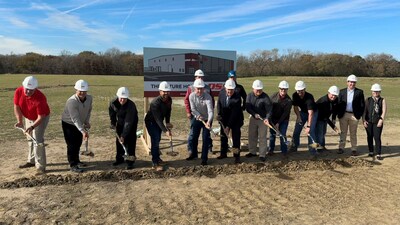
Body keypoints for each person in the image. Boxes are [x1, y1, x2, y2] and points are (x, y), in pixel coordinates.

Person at [14, 76, 50, 175]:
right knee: (29, 138)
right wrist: (19, 121)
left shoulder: (40, 98)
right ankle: (31, 161)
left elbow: (40, 117)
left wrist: (32, 127)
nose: (28, 91)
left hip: (40, 118)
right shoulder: (19, 91)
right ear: (23, 86)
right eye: (27, 89)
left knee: (37, 140)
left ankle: (40, 167)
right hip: (28, 116)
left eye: (31, 90)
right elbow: (16, 106)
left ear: (35, 88)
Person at [61, 80, 93, 173]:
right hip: (69, 124)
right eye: (80, 91)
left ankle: (77, 161)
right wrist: (83, 131)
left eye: (84, 91)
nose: (82, 93)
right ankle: (73, 164)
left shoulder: (90, 98)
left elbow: (88, 110)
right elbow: (75, 118)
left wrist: (86, 121)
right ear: (76, 90)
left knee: (78, 143)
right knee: (71, 145)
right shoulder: (71, 101)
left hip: (80, 123)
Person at [145, 81, 173, 171]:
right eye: (164, 91)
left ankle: (158, 159)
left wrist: (168, 122)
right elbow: (157, 119)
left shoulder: (169, 100)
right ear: (160, 91)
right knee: (155, 140)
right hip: (151, 122)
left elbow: (168, 112)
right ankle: (155, 163)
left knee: (158, 140)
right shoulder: (155, 103)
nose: (166, 93)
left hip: (159, 122)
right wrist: (166, 131)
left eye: (167, 91)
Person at [184, 69, 214, 154]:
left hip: (206, 115)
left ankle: (208, 148)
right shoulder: (190, 88)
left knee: (206, 135)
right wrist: (189, 112)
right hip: (195, 115)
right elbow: (187, 101)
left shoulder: (207, 88)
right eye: (198, 76)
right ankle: (192, 150)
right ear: (195, 77)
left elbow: (211, 102)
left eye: (201, 77)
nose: (200, 78)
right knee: (193, 134)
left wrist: (209, 119)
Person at [109, 87, 138, 170]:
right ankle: (119, 159)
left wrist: (123, 135)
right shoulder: (113, 103)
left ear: (127, 97)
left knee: (130, 141)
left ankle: (130, 162)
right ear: (118, 96)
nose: (122, 100)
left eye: (124, 98)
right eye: (121, 98)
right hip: (120, 122)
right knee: (119, 142)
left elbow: (128, 122)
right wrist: (113, 123)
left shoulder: (131, 105)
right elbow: (112, 113)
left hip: (131, 122)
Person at [289, 81, 319, 159]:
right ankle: (294, 147)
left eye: (302, 91)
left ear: (304, 89)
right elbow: (295, 107)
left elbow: (310, 113)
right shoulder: (294, 95)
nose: (300, 93)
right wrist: (298, 117)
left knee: (311, 131)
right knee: (296, 130)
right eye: (298, 91)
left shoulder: (309, 97)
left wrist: (308, 126)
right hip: (302, 112)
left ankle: (313, 151)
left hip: (313, 112)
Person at [216, 79, 244, 163]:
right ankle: (223, 153)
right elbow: (219, 104)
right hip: (224, 118)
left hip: (236, 119)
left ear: (234, 89)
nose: (230, 91)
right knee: (223, 136)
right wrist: (219, 115)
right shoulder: (221, 93)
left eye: (231, 90)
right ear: (225, 88)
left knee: (236, 138)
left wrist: (228, 127)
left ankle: (236, 156)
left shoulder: (237, 98)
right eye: (228, 89)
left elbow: (234, 114)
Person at [245, 80, 272, 162]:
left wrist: (267, 118)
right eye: (257, 90)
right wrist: (254, 114)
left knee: (262, 137)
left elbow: (269, 110)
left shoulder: (265, 97)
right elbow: (248, 107)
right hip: (253, 118)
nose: (259, 91)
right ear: (253, 89)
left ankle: (262, 154)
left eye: (260, 89)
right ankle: (252, 152)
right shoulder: (249, 96)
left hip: (263, 120)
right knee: (252, 135)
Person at [337, 74, 365, 156]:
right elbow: (338, 104)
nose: (352, 84)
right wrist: (339, 114)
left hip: (354, 115)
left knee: (353, 133)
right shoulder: (341, 92)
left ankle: (354, 149)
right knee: (343, 132)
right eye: (350, 82)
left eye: (353, 82)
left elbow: (362, 105)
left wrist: (359, 115)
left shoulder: (359, 92)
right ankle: (341, 148)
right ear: (347, 82)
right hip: (344, 115)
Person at [363, 83, 387, 160]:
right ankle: (371, 151)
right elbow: (365, 111)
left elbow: (384, 111)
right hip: (369, 121)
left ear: (380, 92)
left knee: (377, 137)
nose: (376, 92)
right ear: (372, 91)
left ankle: (378, 153)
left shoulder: (382, 100)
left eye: (377, 91)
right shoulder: (368, 99)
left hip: (378, 122)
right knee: (369, 136)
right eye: (374, 91)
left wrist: (381, 120)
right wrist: (364, 120)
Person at [268, 81, 292, 156]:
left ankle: (284, 151)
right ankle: (271, 150)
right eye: (281, 89)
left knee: (282, 134)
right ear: (279, 89)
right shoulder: (273, 97)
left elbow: (285, 114)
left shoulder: (289, 101)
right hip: (273, 119)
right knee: (272, 135)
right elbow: (269, 109)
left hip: (283, 120)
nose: (283, 91)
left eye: (285, 90)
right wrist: (271, 121)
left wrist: (278, 123)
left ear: (287, 90)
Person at [315, 86, 340, 150]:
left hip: (325, 118)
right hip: (319, 118)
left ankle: (322, 146)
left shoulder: (335, 100)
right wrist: (333, 127)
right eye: (332, 95)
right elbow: (325, 116)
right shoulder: (324, 101)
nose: (333, 96)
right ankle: (319, 148)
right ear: (328, 93)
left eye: (335, 95)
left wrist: (334, 119)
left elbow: (335, 110)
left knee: (323, 132)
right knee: (320, 133)